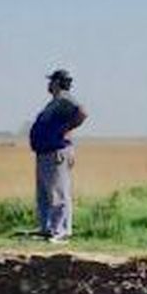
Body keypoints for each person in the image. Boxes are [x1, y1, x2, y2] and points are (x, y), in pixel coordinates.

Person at [28, 68, 86, 241]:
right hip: (45, 152)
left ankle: (61, 231)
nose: (49, 84)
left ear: (58, 82)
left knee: (58, 192)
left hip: (57, 151)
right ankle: (47, 228)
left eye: (52, 81)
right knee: (45, 193)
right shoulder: (55, 101)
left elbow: (82, 112)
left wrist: (66, 129)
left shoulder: (64, 99)